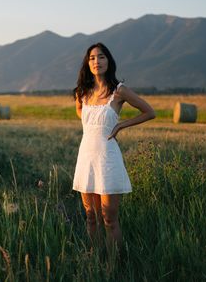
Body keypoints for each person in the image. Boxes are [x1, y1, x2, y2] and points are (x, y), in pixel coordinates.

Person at [72, 42, 155, 258]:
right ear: (87, 63)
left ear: (108, 61)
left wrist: (120, 124)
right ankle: (95, 261)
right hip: (86, 158)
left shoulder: (119, 91)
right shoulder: (82, 92)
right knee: (91, 217)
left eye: (101, 57)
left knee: (109, 219)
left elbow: (149, 112)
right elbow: (82, 116)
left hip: (107, 160)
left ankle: (113, 266)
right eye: (92, 58)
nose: (96, 61)